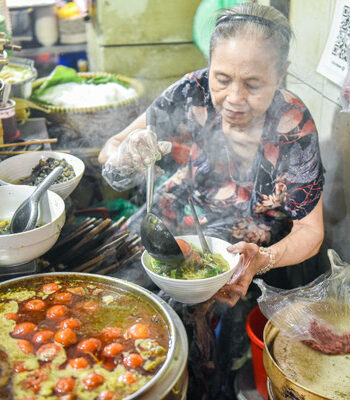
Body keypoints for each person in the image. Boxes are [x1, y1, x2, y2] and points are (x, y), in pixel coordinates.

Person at [99, 3, 327, 399]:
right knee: (114, 277)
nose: (233, 98)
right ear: (210, 65)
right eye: (222, 79)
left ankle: (207, 386)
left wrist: (263, 259)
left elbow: (311, 231)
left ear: (281, 74)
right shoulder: (191, 90)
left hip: (253, 234)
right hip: (184, 206)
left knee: (194, 309)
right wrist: (127, 152)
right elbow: (110, 150)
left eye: (253, 84)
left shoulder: (293, 124)